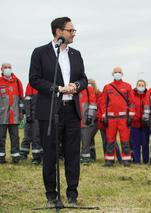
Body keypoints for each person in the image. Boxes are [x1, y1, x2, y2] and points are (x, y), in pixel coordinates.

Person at [29, 17, 87, 206]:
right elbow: (34, 79)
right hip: (51, 110)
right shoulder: (40, 53)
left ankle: (72, 195)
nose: (73, 33)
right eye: (71, 30)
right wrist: (57, 88)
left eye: (73, 30)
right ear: (58, 31)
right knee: (51, 155)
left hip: (72, 111)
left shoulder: (76, 54)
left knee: (72, 154)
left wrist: (76, 85)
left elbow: (84, 79)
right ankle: (52, 196)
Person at [101, 67, 135, 167]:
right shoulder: (107, 87)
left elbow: (132, 103)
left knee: (125, 140)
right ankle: (109, 161)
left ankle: (126, 161)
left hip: (124, 118)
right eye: (115, 72)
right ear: (112, 74)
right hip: (111, 119)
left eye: (119, 72)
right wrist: (104, 116)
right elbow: (103, 103)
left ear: (122, 74)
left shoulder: (127, 86)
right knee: (110, 140)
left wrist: (131, 116)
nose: (117, 74)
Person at [0, 63, 24, 164]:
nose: (7, 69)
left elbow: (21, 99)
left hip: (14, 116)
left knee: (15, 138)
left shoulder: (17, 82)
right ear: (1, 69)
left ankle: (15, 157)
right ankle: (1, 158)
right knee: (1, 138)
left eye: (9, 67)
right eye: (5, 67)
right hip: (1, 117)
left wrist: (22, 112)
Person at [20, 83, 42, 165]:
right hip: (33, 114)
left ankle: (39, 156)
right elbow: (27, 100)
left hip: (43, 115)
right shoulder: (31, 84)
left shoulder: (45, 83)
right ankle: (24, 154)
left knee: (38, 136)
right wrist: (28, 114)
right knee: (29, 135)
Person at [131, 79, 149, 164]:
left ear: (145, 86)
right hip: (135, 124)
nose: (140, 86)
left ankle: (146, 160)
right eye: (139, 85)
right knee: (136, 144)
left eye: (142, 85)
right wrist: (135, 118)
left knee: (145, 143)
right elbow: (130, 107)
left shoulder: (148, 95)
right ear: (136, 85)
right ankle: (137, 160)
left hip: (145, 124)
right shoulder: (132, 95)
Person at [79, 82, 97, 165]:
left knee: (86, 142)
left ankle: (86, 159)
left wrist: (90, 116)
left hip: (85, 121)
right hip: (74, 121)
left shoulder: (88, 89)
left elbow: (93, 104)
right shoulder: (71, 89)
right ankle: (77, 158)